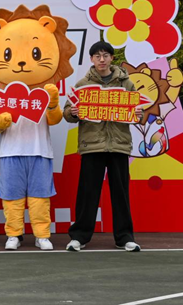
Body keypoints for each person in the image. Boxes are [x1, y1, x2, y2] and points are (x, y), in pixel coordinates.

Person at [63, 41, 143, 252]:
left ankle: (124, 238)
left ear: (111, 58)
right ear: (91, 59)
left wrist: (138, 113)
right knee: (87, 193)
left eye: (105, 55)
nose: (101, 59)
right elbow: (68, 112)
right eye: (97, 56)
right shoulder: (83, 84)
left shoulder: (126, 84)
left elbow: (138, 111)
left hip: (118, 145)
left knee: (120, 193)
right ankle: (79, 237)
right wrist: (72, 113)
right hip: (92, 145)